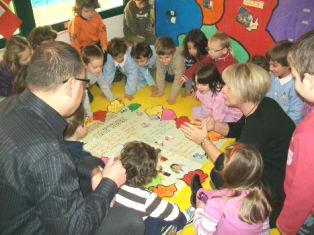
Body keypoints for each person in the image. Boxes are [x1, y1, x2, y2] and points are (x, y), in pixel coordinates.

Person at [0, 41, 144, 235]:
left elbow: (60, 158)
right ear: (70, 86)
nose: (84, 90)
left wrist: (93, 171)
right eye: (84, 83)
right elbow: (75, 229)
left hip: (16, 207)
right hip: (29, 226)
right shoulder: (48, 152)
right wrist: (109, 185)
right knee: (130, 221)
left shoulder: (9, 103)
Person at [181, 63, 295, 228]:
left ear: (244, 93)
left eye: (228, 86)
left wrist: (203, 140)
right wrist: (214, 125)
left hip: (268, 202)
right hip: (278, 178)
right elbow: (237, 127)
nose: (222, 90)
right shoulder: (264, 103)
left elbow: (231, 169)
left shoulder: (258, 127)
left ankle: (212, 205)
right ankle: (208, 198)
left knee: (218, 174)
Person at [112, 141, 194, 234]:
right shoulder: (147, 198)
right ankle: (184, 219)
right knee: (167, 217)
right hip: (138, 230)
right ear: (149, 175)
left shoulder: (112, 184)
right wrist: (175, 207)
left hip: (118, 227)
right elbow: (173, 213)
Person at [277, 30, 314, 235]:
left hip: (304, 216)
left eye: (293, 74)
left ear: (308, 81)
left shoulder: (309, 135)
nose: (292, 77)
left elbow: (303, 192)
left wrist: (286, 226)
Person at [192, 143, 272, 234]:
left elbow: (202, 233)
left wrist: (199, 210)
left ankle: (197, 196)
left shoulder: (217, 201)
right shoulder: (263, 198)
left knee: (201, 195)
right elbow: (265, 230)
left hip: (215, 210)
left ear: (227, 173)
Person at [266, 40, 304, 124]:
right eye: (269, 64)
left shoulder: (295, 86)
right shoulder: (270, 77)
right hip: (270, 122)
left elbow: (296, 114)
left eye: (274, 65)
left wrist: (281, 127)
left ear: (288, 65)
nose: (270, 68)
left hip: (287, 126)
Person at [81, 45, 115, 117]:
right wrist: (89, 114)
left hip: (87, 85)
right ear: (85, 65)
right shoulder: (81, 76)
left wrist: (112, 100)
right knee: (83, 103)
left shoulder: (98, 71)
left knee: (89, 98)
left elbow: (104, 85)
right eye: (95, 67)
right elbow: (84, 96)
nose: (99, 69)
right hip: (74, 90)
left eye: (101, 66)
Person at [152, 36, 185, 104]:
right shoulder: (159, 56)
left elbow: (178, 79)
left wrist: (172, 97)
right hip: (171, 69)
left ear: (172, 53)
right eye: (161, 57)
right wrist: (160, 90)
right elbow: (160, 73)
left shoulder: (179, 59)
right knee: (166, 78)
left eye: (167, 57)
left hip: (184, 70)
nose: (163, 60)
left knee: (184, 83)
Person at [182, 29, 208, 96]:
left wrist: (198, 90)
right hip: (196, 80)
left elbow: (206, 76)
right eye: (189, 48)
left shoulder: (207, 57)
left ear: (202, 46)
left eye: (195, 48)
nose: (192, 51)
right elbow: (189, 73)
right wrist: (188, 89)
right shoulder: (189, 57)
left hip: (207, 80)